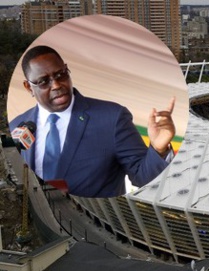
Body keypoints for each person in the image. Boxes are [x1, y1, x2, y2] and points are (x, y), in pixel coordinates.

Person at [9, 45, 176, 198]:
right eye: (44, 81)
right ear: (28, 87)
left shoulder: (112, 118)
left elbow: (142, 177)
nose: (56, 85)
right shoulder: (17, 126)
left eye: (61, 74)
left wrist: (158, 149)